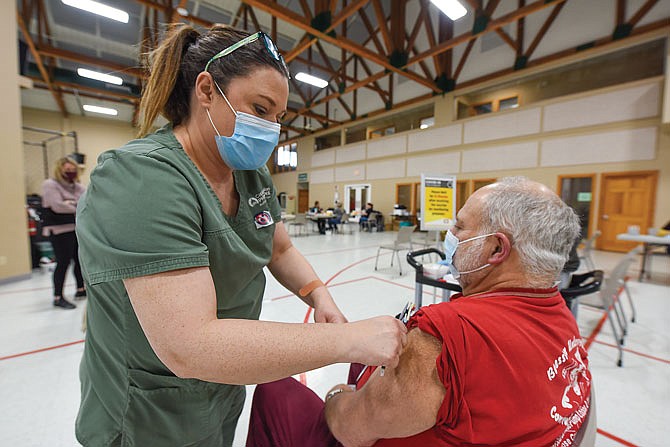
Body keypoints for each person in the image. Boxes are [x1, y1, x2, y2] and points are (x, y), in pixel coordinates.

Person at [74, 24, 406, 446]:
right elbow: (189, 345)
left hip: (221, 389)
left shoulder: (250, 176)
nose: (271, 128)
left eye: (278, 117)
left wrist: (318, 293)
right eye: (260, 108)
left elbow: (278, 246)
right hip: (149, 412)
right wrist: (344, 341)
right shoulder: (142, 177)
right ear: (207, 91)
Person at [248, 176, 592, 447]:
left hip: (361, 427)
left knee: (273, 391)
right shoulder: (562, 317)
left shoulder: (447, 333)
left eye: (459, 226)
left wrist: (338, 393)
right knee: (364, 360)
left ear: (496, 248)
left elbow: (349, 430)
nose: (450, 234)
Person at [41, 157, 86, 309]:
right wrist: (75, 204)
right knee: (63, 263)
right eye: (68, 170)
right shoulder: (50, 184)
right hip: (59, 230)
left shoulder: (78, 186)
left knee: (79, 261)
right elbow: (57, 206)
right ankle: (58, 296)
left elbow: (87, 202)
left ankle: (81, 289)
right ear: (60, 170)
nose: (71, 173)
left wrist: (69, 203)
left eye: (74, 170)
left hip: (76, 229)